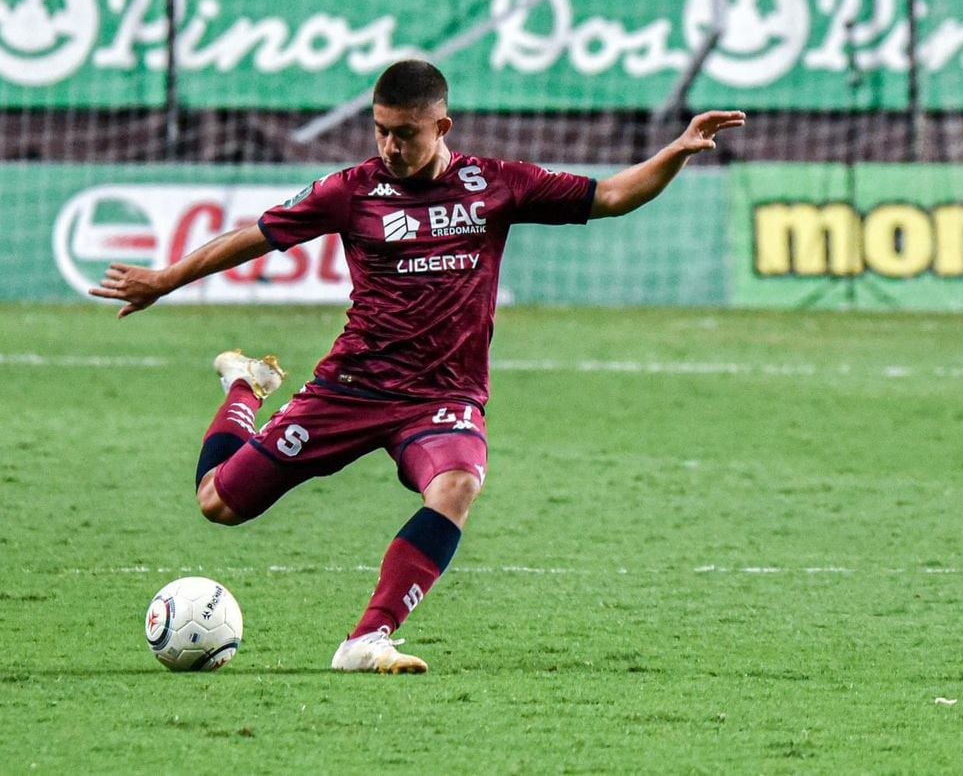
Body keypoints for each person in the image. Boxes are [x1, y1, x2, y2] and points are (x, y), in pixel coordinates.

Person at [91, 59, 744, 674]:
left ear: (442, 127)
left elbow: (612, 195)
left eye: (405, 133)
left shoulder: (494, 185)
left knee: (456, 485)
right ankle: (244, 386)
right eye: (380, 130)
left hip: (442, 399)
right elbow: (255, 235)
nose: (390, 146)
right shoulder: (351, 191)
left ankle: (366, 639)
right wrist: (165, 279)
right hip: (352, 387)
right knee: (219, 504)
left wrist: (677, 151)